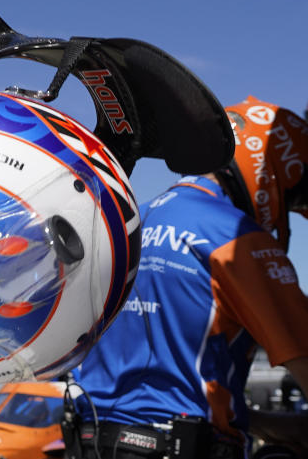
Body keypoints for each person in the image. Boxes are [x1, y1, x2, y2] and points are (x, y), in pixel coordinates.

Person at [63, 96, 308, 459]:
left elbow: (160, 386)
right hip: (182, 448)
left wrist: (252, 419)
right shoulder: (239, 241)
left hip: (89, 441)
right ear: (271, 170)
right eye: (292, 199)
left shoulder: (130, 225)